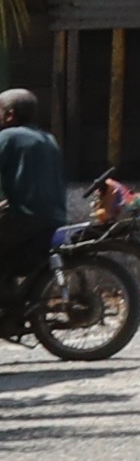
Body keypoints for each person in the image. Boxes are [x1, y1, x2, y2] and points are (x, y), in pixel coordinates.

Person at [0, 87, 64, 326]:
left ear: (9, 115)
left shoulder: (9, 137)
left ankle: (11, 308)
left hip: (25, 219)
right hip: (53, 217)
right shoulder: (47, 138)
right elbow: (33, 185)